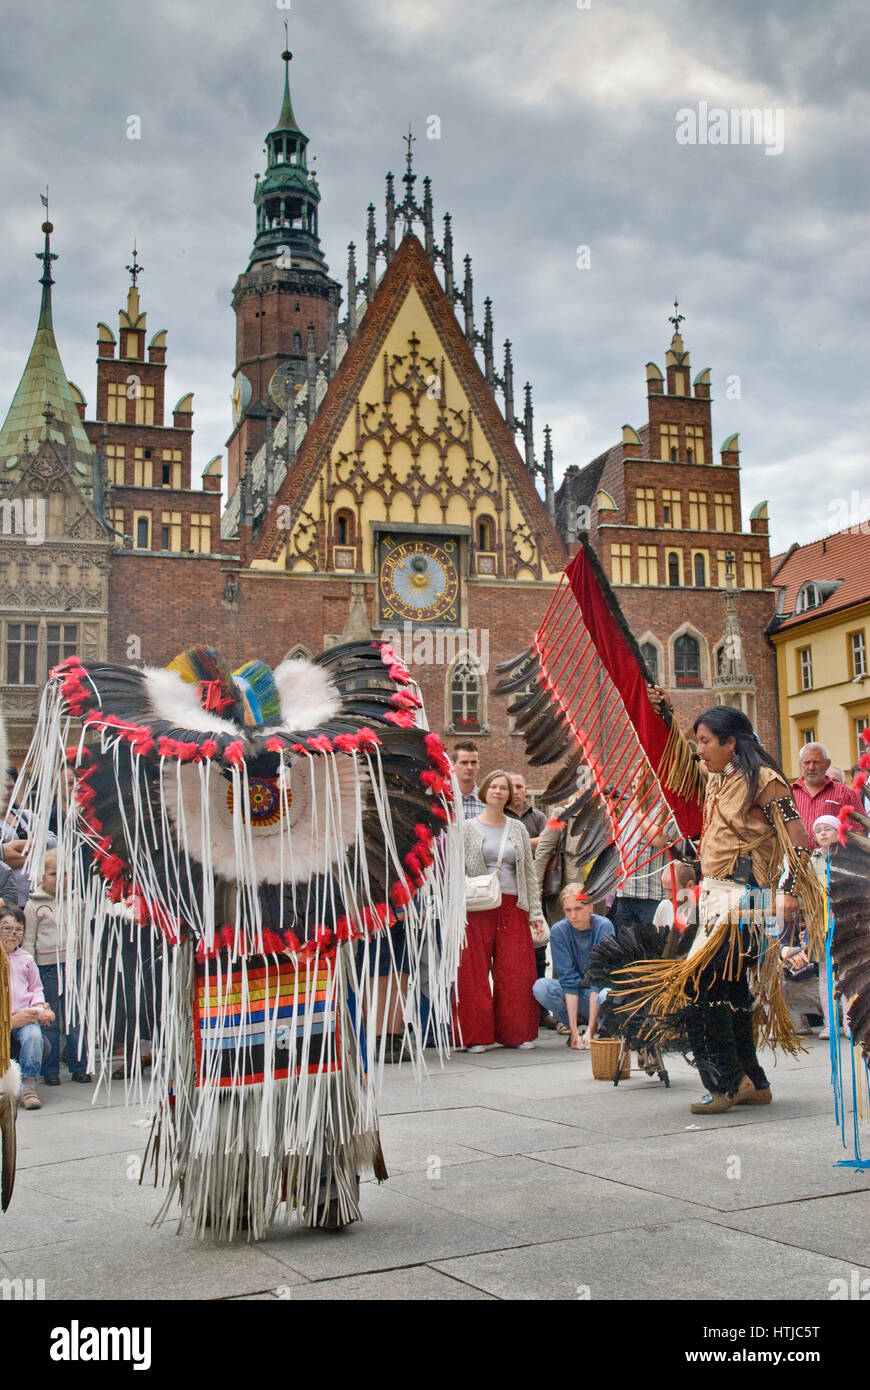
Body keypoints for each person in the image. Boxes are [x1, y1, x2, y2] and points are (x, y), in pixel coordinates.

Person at [619, 701, 820, 1116]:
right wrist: (662, 715)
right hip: (717, 900)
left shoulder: (765, 780)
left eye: (706, 741)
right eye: (698, 742)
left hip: (745, 901)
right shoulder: (717, 779)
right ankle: (751, 1082)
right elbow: (671, 760)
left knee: (698, 989)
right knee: (727, 990)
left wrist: (789, 889)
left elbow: (797, 837)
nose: (700, 750)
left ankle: (726, 1083)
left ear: (732, 742)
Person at [457, 769, 544, 1051]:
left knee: (516, 969)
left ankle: (516, 1033)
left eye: (503, 788)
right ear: (484, 791)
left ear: (509, 795)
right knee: (474, 972)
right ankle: (475, 1035)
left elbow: (529, 873)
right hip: (478, 905)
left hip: (513, 904)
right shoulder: (468, 827)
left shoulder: (517, 828)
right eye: (493, 787)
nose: (498, 791)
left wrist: (536, 913)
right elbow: (456, 870)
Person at [22, 850, 91, 1085]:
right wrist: (29, 972)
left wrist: (88, 961)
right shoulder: (33, 906)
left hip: (74, 965)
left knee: (76, 1018)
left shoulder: (77, 902)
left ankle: (79, 1066)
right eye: (53, 874)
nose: (60, 878)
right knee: (49, 1019)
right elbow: (29, 940)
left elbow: (85, 935)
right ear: (41, 876)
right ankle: (50, 1070)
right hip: (46, 969)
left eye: (65, 873)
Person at [532, 885, 615, 1049]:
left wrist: (590, 1031)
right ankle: (574, 1026)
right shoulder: (559, 930)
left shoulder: (603, 926)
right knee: (541, 987)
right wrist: (574, 1031)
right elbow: (568, 980)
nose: (573, 916)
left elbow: (598, 980)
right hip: (576, 992)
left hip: (597, 994)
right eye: (568, 910)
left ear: (590, 906)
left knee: (606, 993)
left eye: (578, 909)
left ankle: (601, 1027)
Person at [613, 770, 683, 931]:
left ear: (653, 783)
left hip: (652, 896)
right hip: (626, 894)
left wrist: (638, 812)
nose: (634, 787)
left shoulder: (667, 807)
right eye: (632, 783)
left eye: (639, 781)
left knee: (652, 947)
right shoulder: (630, 810)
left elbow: (658, 839)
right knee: (625, 949)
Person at [2, 904, 55, 1110]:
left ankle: (28, 1086)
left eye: (18, 930)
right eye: (6, 929)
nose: (13, 934)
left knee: (34, 1037)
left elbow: (36, 989)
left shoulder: (25, 958)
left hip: (26, 1014)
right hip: (3, 1019)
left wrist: (41, 1008)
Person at [791, 743, 863, 838]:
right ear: (800, 764)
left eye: (816, 762)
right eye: (807, 762)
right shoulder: (788, 793)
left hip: (835, 853)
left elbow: (860, 831)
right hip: (796, 852)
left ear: (827, 764)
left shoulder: (845, 793)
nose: (811, 767)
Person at [453, 742, 484, 818]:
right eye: (464, 762)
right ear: (453, 765)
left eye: (473, 762)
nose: (469, 767)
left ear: (478, 765)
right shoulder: (444, 801)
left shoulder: (487, 801)